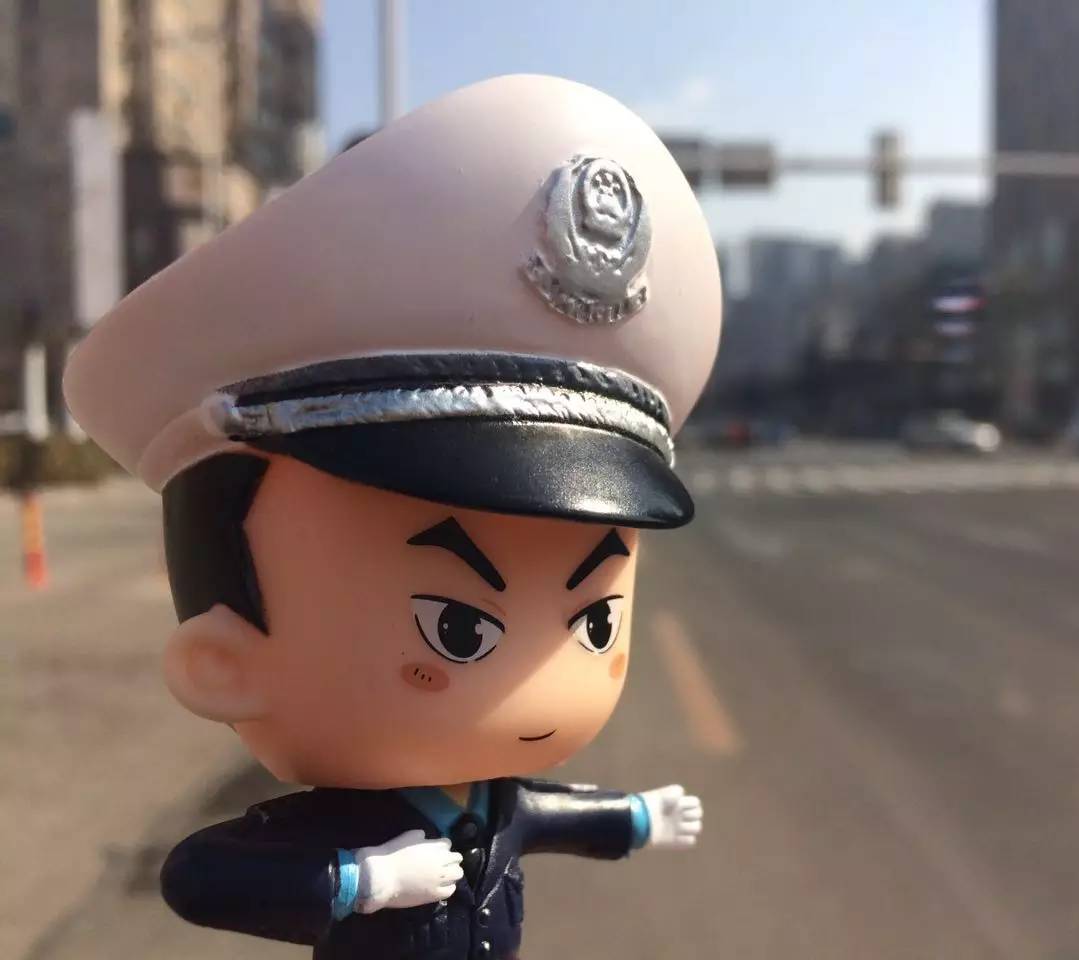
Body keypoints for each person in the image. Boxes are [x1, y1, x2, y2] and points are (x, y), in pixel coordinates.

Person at [61, 74, 722, 960]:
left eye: (595, 623)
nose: (539, 686)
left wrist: (637, 816)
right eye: (459, 629)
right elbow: (199, 877)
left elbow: (558, 815)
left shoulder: (494, 803)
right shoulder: (356, 831)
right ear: (222, 666)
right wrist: (361, 881)